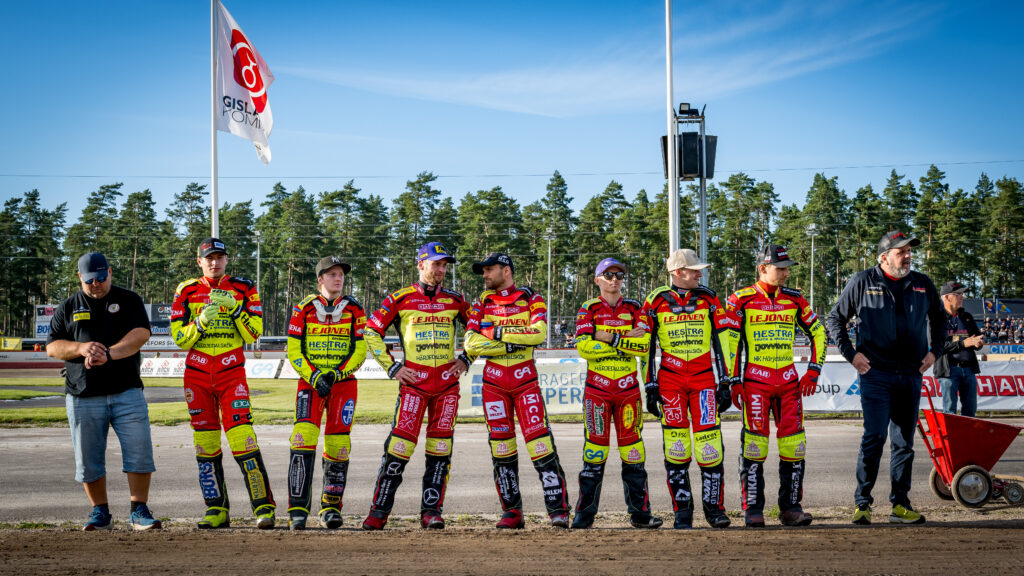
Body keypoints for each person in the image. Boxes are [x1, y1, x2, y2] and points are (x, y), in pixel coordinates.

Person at [827, 230, 944, 525]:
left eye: (909, 251)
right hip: (875, 374)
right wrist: (851, 354)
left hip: (910, 374)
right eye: (900, 251)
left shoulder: (921, 283)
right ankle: (862, 503)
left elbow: (940, 319)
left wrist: (935, 352)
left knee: (904, 442)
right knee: (875, 437)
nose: (907, 256)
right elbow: (834, 319)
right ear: (883, 257)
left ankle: (900, 505)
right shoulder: (862, 281)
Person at [361, 242, 471, 530]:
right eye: (436, 264)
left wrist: (467, 358)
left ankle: (431, 511)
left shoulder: (455, 299)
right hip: (414, 386)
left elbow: (478, 329)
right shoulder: (400, 298)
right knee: (398, 448)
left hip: (447, 387)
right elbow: (371, 331)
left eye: (445, 265)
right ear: (421, 264)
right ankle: (379, 511)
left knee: (440, 451)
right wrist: (393, 367)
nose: (441, 270)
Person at [46, 252, 160, 531]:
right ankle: (100, 512)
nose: (96, 284)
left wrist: (108, 354)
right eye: (89, 280)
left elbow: (141, 335)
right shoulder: (68, 306)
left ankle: (139, 511)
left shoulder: (129, 299)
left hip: (127, 392)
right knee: (88, 458)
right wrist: (81, 348)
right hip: (82, 395)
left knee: (140, 451)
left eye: (101, 278)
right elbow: (52, 347)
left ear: (110, 272)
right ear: (79, 278)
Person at [170, 237, 275, 529]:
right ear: (199, 261)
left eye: (220, 257)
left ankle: (264, 507)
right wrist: (201, 323)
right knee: (205, 444)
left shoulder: (244, 287)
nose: (214, 262)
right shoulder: (186, 290)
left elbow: (254, 333)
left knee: (243, 439)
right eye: (209, 258)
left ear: (227, 260)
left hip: (232, 373)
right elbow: (179, 338)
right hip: (197, 375)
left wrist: (237, 310)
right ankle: (216, 508)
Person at [464, 252, 571, 529]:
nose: (485, 275)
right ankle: (511, 511)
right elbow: (472, 344)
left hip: (526, 383)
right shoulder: (481, 302)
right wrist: (513, 344)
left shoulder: (531, 298)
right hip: (494, 385)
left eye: (489, 270)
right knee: (501, 447)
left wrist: (497, 334)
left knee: (541, 444)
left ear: (506, 270)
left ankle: (557, 510)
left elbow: (537, 334)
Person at [725, 244, 826, 528]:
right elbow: (729, 343)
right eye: (779, 268)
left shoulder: (795, 299)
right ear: (762, 268)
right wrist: (734, 381)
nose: (784, 273)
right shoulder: (740, 299)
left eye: (787, 268)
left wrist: (814, 370)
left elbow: (818, 332)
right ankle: (752, 509)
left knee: (795, 447)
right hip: (755, 383)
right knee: (754, 448)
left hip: (789, 385)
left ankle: (791, 508)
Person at [640, 249, 733, 529]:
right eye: (695, 270)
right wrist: (650, 385)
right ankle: (682, 512)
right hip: (671, 383)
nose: (700, 274)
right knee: (676, 449)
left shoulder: (709, 297)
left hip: (704, 380)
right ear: (678, 272)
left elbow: (723, 341)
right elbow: (646, 346)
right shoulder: (655, 300)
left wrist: (725, 381)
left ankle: (714, 510)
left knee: (710, 449)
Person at [571, 258, 662, 529]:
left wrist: (609, 338)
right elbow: (584, 348)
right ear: (597, 279)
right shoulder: (588, 308)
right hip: (597, 393)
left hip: (628, 393)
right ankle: (584, 516)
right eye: (608, 275)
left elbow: (644, 345)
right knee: (594, 455)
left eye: (619, 275)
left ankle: (641, 515)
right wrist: (626, 340)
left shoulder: (635, 307)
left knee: (633, 453)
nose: (614, 279)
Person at [286, 256, 367, 530]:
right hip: (310, 383)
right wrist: (315, 375)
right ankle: (297, 510)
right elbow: (294, 351)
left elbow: (361, 350)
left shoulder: (355, 308)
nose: (338, 278)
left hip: (343, 384)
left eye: (341, 273)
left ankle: (331, 508)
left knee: (338, 445)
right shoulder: (303, 308)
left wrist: (337, 374)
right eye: (332, 274)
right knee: (302, 439)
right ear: (320, 279)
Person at [933, 281, 983, 417]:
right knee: (950, 412)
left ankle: (966, 439)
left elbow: (976, 338)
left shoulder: (966, 317)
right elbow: (936, 346)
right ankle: (951, 439)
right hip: (948, 371)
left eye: (962, 294)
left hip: (969, 369)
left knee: (970, 412)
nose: (962, 297)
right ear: (947, 297)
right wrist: (963, 344)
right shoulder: (936, 318)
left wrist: (978, 343)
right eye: (958, 294)